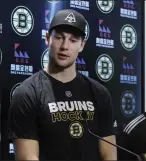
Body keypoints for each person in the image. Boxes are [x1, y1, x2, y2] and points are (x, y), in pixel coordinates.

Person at [8, 9, 117, 160]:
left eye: (73, 40)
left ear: (82, 45)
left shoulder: (100, 93)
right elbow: (27, 157)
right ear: (47, 39)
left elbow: (109, 154)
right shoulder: (27, 93)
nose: (65, 46)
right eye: (59, 37)